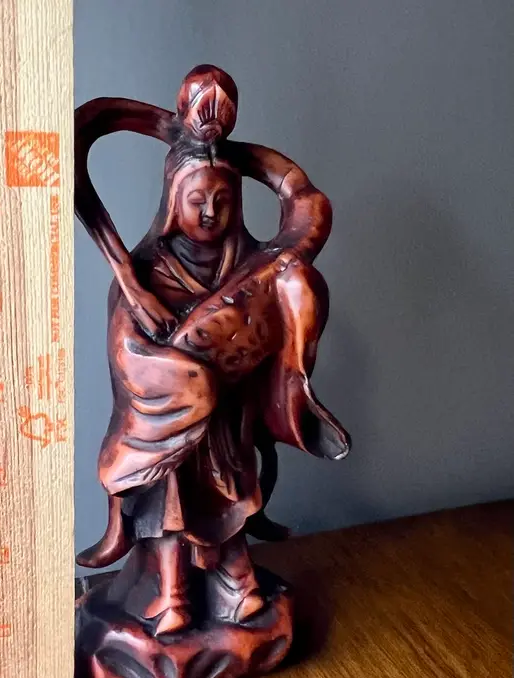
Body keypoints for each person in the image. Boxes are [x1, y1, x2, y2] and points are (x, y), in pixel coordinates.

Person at [76, 65, 350, 635]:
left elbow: (301, 221)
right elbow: (128, 353)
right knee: (169, 498)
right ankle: (169, 597)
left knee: (231, 492)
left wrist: (239, 156)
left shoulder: (250, 265)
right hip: (170, 424)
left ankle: (238, 588)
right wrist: (182, 383)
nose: (208, 212)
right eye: (196, 199)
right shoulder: (146, 276)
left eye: (222, 200)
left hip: (227, 420)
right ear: (173, 202)